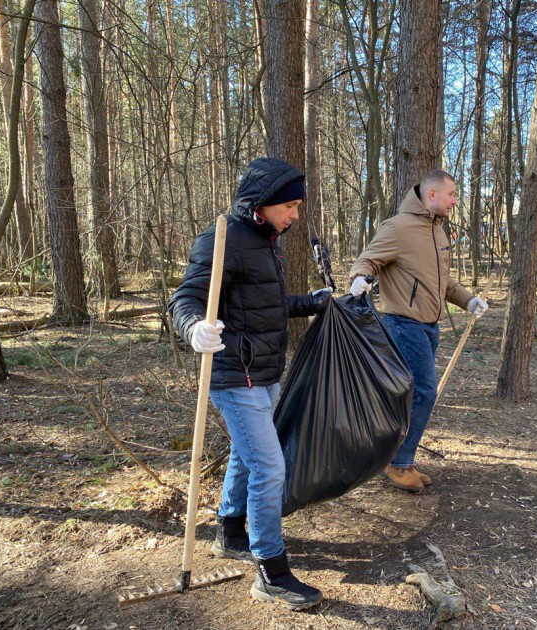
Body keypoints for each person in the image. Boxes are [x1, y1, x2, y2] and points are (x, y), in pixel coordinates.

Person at [169, 157, 331, 611]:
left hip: (263, 373)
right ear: (263, 204)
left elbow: (270, 308)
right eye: (290, 206)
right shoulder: (221, 240)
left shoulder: (265, 243)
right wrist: (193, 327)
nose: (295, 216)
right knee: (270, 467)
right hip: (233, 377)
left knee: (246, 456)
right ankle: (271, 571)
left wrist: (312, 303)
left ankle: (229, 531)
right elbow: (186, 297)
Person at [348, 170, 489, 493]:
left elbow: (444, 282)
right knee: (424, 392)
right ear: (432, 195)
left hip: (429, 327)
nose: (456, 200)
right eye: (452, 194)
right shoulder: (398, 227)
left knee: (413, 396)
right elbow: (367, 260)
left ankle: (400, 459)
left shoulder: (439, 232)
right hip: (402, 324)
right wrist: (359, 277)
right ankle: (396, 463)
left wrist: (469, 302)